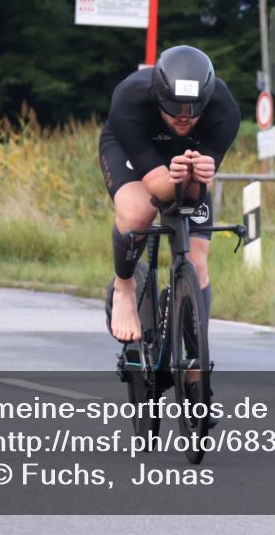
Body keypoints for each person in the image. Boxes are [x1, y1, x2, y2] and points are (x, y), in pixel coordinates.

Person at [99, 45, 241, 350]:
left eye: (193, 109)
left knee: (197, 260)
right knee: (138, 213)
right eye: (174, 107)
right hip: (134, 148)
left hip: (186, 159)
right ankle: (125, 286)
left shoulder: (224, 109)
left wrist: (194, 175)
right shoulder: (131, 97)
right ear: (158, 95)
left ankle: (194, 363)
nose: (183, 117)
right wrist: (172, 177)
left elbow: (192, 195)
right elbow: (160, 190)